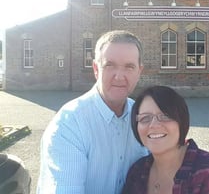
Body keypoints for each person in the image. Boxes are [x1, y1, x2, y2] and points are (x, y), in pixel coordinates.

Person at [37, 30, 149, 194]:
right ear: (96, 69)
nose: (119, 76)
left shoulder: (143, 117)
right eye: (110, 65)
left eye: (129, 67)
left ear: (139, 72)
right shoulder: (70, 124)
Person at [122, 85, 209, 194]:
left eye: (165, 116)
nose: (154, 125)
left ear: (181, 120)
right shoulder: (137, 173)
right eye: (145, 118)